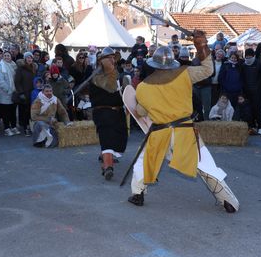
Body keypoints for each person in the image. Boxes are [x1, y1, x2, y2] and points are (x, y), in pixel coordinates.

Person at [127, 31, 239, 213]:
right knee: (205, 165)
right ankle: (228, 201)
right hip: (184, 131)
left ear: (153, 64)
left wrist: (139, 105)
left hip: (160, 134)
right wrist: (201, 46)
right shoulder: (184, 74)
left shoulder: (143, 87)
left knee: (143, 161)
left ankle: (138, 193)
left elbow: (140, 112)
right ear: (172, 61)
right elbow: (208, 70)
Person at [89, 47, 128, 181]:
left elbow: (121, 91)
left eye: (113, 58)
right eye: (109, 58)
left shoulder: (116, 73)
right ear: (102, 61)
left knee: (120, 139)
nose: (112, 60)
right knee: (107, 138)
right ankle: (108, 167)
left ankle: (104, 156)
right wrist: (111, 70)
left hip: (118, 111)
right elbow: (110, 86)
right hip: (102, 111)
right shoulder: (97, 76)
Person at [241, 48, 261, 134]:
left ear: (253, 56)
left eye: (250, 56)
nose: (248, 58)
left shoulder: (259, 64)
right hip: (247, 91)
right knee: (248, 109)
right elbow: (242, 78)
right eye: (247, 56)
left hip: (257, 91)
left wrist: (260, 87)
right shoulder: (244, 65)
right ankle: (251, 126)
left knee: (257, 109)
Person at [0, 51, 19, 136]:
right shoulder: (0, 66)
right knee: (5, 111)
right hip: (4, 92)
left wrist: (15, 90)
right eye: (4, 55)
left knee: (12, 111)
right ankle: (6, 128)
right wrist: (8, 90)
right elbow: (0, 80)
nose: (6, 57)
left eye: (8, 55)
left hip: (13, 92)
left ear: (11, 57)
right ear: (2, 57)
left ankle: (13, 126)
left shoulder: (14, 66)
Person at [14, 52, 37, 136]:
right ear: (25, 59)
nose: (29, 59)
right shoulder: (21, 68)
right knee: (25, 111)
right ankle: (25, 127)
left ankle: (31, 126)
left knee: (32, 110)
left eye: (31, 58)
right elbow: (17, 82)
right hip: (24, 92)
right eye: (28, 58)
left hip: (33, 93)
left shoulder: (34, 68)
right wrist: (21, 92)